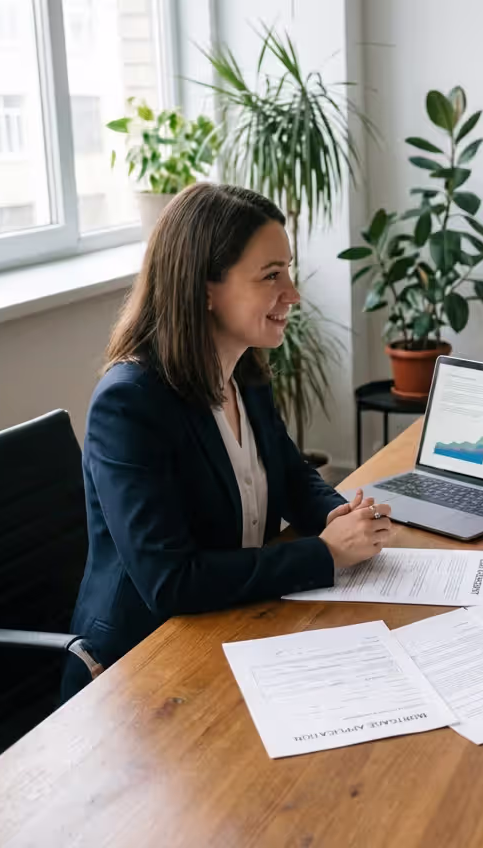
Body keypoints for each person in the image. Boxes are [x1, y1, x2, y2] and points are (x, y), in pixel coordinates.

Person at [62, 183, 391, 700]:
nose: (293, 293)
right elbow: (170, 581)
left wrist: (334, 514)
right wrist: (323, 554)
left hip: (231, 628)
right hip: (141, 666)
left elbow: (288, 473)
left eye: (288, 269)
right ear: (205, 289)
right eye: (271, 275)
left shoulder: (243, 371)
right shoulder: (129, 404)